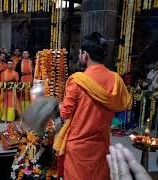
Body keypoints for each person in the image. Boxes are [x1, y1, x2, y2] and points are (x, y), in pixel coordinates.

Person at [53, 32, 131, 180]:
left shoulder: (77, 80)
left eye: (80, 52)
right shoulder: (116, 79)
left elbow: (64, 113)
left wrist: (57, 104)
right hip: (101, 144)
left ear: (85, 55)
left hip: (78, 145)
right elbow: (124, 104)